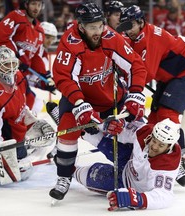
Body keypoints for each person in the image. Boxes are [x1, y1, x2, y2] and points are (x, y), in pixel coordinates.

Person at [50, 2, 147, 203]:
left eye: (100, 25)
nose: (98, 31)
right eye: (92, 27)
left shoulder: (109, 37)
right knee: (67, 131)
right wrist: (79, 103)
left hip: (111, 98)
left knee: (137, 130)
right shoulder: (70, 42)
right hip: (80, 99)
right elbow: (64, 77)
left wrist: (136, 93)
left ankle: (150, 162)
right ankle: (64, 177)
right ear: (81, 26)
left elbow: (136, 65)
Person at [117, 5, 185, 187]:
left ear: (141, 22)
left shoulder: (151, 38)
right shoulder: (136, 36)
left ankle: (178, 159)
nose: (127, 31)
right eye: (124, 27)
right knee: (154, 116)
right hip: (171, 75)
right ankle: (157, 156)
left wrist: (124, 85)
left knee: (167, 114)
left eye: (130, 26)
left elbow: (145, 74)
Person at [0, 45, 55, 186]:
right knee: (18, 161)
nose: (11, 69)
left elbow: (20, 105)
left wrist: (32, 122)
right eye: (6, 65)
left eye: (13, 64)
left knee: (32, 144)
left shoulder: (18, 77)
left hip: (10, 129)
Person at [74, 118, 181, 211]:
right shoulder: (145, 131)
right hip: (129, 157)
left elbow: (164, 196)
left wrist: (136, 198)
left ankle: (68, 170)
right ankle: (71, 123)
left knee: (88, 175)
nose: (154, 147)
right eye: (154, 140)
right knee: (92, 134)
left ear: (169, 147)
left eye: (161, 145)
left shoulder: (168, 164)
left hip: (127, 184)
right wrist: (105, 125)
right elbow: (123, 130)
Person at [0, 0, 53, 114]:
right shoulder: (16, 17)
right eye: (33, 4)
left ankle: (21, 130)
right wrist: (17, 55)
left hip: (20, 76)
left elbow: (34, 57)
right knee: (17, 104)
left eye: (39, 5)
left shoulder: (39, 30)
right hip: (5, 71)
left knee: (34, 102)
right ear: (26, 5)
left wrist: (44, 77)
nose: (36, 7)